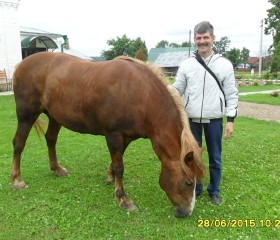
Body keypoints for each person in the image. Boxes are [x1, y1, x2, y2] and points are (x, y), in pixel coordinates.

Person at [173, 21, 238, 205]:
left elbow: (231, 94)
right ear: (194, 40)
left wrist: (231, 120)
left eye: (205, 37)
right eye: (199, 38)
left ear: (213, 38)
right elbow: (177, 89)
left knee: (215, 158)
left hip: (215, 120)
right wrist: (161, 92)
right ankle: (197, 188)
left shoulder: (225, 65)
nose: (202, 41)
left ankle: (214, 190)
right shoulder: (186, 65)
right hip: (191, 120)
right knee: (193, 158)